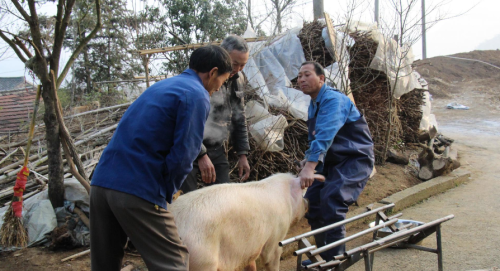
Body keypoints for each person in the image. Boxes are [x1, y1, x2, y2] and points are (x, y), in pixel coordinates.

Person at [89, 45, 233, 271]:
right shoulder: (196, 95)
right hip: (137, 188)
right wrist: (167, 192)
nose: (218, 88)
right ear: (213, 72)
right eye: (222, 81)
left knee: (105, 264)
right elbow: (183, 155)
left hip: (101, 184)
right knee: (173, 262)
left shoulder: (162, 86)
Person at [297, 61, 375, 262]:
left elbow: (324, 136)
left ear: (321, 79)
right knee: (313, 203)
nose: (302, 79)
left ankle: (335, 260)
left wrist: (310, 167)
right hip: (332, 163)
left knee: (333, 199)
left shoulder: (334, 100)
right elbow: (314, 141)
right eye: (299, 76)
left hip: (354, 159)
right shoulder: (314, 104)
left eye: (307, 74)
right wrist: (306, 162)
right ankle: (323, 256)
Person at [180, 35, 251, 194]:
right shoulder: (202, 76)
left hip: (216, 146)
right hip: (190, 145)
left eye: (243, 65)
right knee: (187, 196)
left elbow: (239, 117)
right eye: (234, 64)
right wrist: (201, 154)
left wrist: (242, 154)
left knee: (222, 195)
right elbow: (187, 122)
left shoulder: (238, 80)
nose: (237, 70)